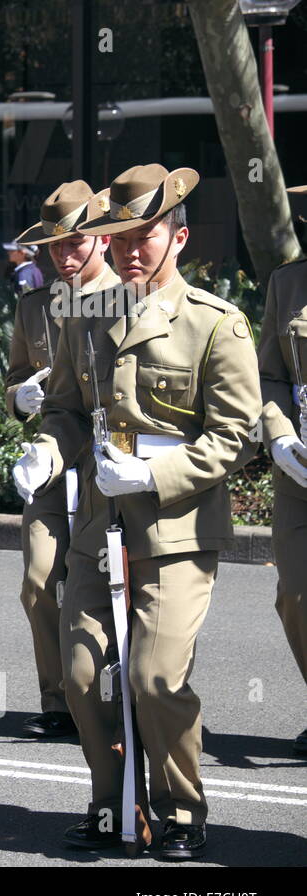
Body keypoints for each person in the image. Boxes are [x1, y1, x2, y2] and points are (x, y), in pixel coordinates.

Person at [13, 164, 261, 860]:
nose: (129, 248)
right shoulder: (84, 314)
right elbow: (65, 407)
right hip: (99, 523)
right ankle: (113, 798)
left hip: (176, 530)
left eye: (145, 234)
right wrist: (48, 451)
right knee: (84, 674)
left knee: (154, 679)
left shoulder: (215, 324)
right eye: (118, 235)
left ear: (178, 237)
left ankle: (180, 805)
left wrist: (157, 469)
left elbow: (236, 436)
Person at [4, 181, 118, 739]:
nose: (66, 256)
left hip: (110, 464)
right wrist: (20, 397)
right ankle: (58, 699)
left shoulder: (130, 296)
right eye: (54, 247)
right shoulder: (34, 307)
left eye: (75, 243)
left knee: (103, 584)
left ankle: (107, 690)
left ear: (100, 239)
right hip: (53, 460)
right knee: (38, 580)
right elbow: (13, 379)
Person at [255, 181, 307, 758]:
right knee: (296, 593)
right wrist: (280, 433)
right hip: (300, 470)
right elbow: (269, 374)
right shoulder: (288, 283)